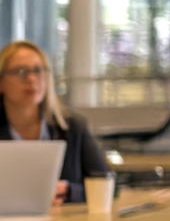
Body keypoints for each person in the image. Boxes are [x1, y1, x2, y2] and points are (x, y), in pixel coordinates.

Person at [0, 40, 109, 204]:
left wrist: (69, 190)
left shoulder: (72, 127)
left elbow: (107, 185)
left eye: (38, 71)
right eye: (20, 71)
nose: (31, 78)